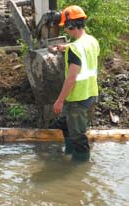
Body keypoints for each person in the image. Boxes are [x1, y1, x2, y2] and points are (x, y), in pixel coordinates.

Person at [51, 5, 100, 161]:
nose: (65, 30)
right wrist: (67, 47)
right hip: (90, 93)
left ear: (71, 25)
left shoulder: (75, 49)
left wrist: (59, 101)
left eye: (66, 26)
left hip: (78, 98)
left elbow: (71, 78)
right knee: (66, 125)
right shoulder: (91, 41)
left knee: (79, 137)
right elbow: (83, 52)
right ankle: (69, 152)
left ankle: (78, 169)